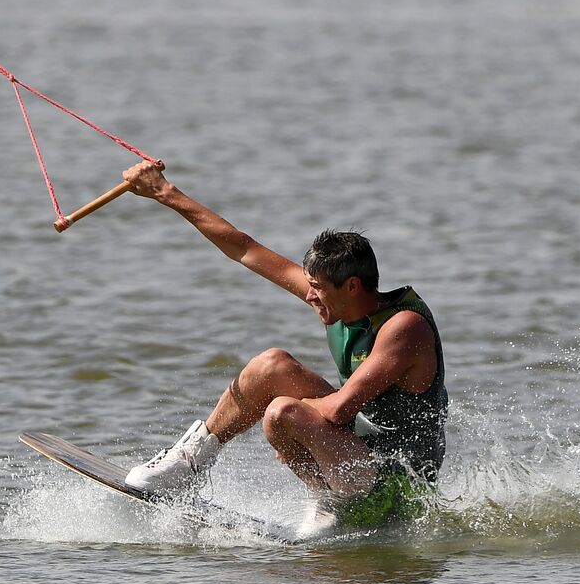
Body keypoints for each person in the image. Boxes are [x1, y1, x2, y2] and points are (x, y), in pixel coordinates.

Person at [117, 161, 448, 539]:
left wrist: (295, 424)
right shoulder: (338, 302)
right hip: (357, 454)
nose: (309, 296)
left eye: (317, 289)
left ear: (353, 286)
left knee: (281, 412)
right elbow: (244, 248)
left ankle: (334, 503)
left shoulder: (404, 327)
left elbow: (339, 410)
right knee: (271, 365)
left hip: (398, 488)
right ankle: (188, 465)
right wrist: (164, 192)